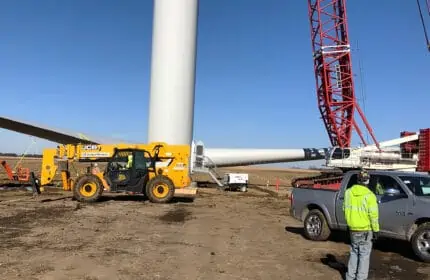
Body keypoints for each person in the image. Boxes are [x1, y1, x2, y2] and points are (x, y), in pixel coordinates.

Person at [343, 169, 380, 280]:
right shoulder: (370, 196)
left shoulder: (348, 192)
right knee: (364, 255)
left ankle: (349, 277)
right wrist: (376, 230)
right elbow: (373, 215)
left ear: (357, 180)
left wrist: (349, 224)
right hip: (365, 230)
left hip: (353, 228)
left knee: (354, 252)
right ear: (367, 181)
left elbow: (344, 209)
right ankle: (361, 278)